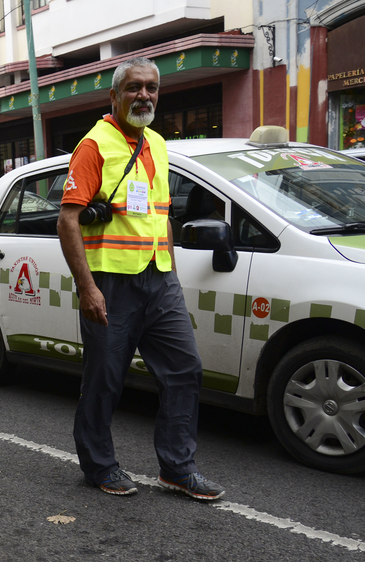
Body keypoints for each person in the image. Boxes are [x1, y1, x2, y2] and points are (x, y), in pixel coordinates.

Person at [56, 57, 224, 502]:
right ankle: (99, 465)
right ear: (114, 95)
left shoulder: (159, 144)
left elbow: (160, 216)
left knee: (185, 369)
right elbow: (67, 221)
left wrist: (170, 270)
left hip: (158, 279)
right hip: (110, 281)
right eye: (133, 87)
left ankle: (177, 467)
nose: (144, 95)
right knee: (104, 379)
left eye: (151, 88)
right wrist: (87, 287)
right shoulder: (95, 145)